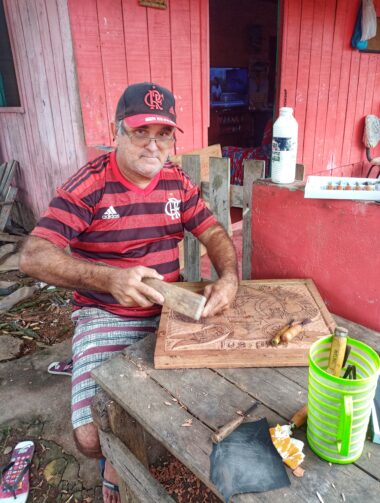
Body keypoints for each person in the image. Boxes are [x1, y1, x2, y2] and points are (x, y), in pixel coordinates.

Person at [19, 82, 238, 503]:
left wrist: (228, 277)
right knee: (88, 437)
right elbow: (32, 255)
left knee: (210, 403)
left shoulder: (176, 181)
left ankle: (146, 467)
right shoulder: (91, 184)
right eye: (141, 132)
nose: (153, 146)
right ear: (116, 130)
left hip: (170, 308)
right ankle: (112, 466)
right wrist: (108, 279)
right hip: (106, 313)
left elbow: (212, 231)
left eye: (164, 134)